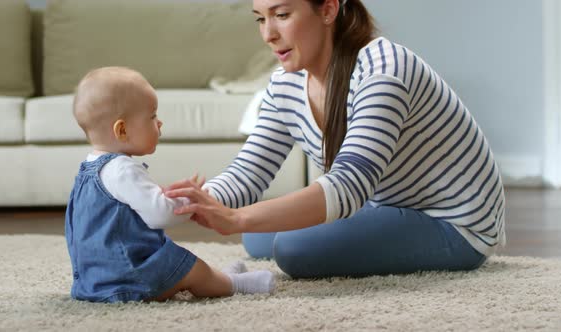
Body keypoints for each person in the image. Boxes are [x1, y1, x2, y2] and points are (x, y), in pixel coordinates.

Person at [165, 0, 506, 279]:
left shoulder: (383, 70)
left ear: (328, 9)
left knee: (291, 249)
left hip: (453, 222)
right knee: (257, 236)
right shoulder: (286, 83)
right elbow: (248, 173)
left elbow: (349, 187)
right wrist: (178, 205)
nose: (268, 34)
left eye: (281, 15)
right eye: (260, 19)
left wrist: (235, 218)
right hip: (384, 205)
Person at [65, 66, 275, 303]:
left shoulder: (89, 169)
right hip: (130, 278)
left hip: (94, 282)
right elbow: (161, 215)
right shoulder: (122, 169)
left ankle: (220, 277)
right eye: (152, 116)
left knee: (179, 261)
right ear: (122, 130)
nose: (160, 122)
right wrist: (189, 199)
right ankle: (232, 283)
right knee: (190, 267)